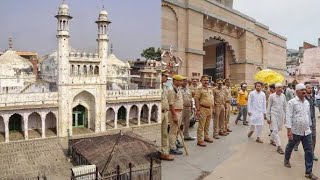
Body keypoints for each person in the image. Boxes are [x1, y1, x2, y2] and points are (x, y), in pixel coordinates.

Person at [284, 84, 318, 180]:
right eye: (302, 90)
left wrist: (310, 126)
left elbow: (308, 115)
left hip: (307, 131)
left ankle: (308, 172)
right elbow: (288, 116)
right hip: (295, 131)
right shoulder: (292, 102)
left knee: (309, 151)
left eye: (304, 90)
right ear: (297, 91)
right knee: (290, 146)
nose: (304, 91)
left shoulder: (307, 102)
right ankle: (286, 159)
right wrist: (289, 130)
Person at [294, 84, 318, 161]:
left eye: (311, 88)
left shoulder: (312, 98)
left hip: (312, 120)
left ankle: (312, 153)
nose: (310, 89)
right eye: (308, 88)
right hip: (304, 120)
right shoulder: (302, 99)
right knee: (300, 135)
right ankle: (296, 144)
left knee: (313, 138)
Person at [266, 83, 287, 154]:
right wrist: (268, 117)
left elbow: (285, 107)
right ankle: (279, 146)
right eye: (278, 87)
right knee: (275, 130)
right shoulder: (271, 96)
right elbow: (268, 107)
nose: (279, 89)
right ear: (275, 89)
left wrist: (286, 117)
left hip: (281, 115)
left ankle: (272, 140)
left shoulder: (283, 96)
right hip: (273, 114)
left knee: (277, 129)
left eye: (281, 87)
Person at [194, 75, 214, 147]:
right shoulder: (199, 89)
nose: (206, 82)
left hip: (209, 108)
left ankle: (206, 136)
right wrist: (198, 110)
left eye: (207, 80)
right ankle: (200, 140)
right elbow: (196, 99)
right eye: (204, 80)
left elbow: (211, 98)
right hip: (202, 109)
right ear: (201, 81)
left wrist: (213, 107)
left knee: (207, 125)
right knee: (201, 125)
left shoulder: (209, 89)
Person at [168, 74, 184, 155]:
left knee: (177, 130)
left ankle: (174, 144)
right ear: (175, 81)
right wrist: (174, 115)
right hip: (175, 112)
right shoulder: (171, 90)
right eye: (180, 81)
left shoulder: (177, 89)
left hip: (179, 111)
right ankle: (172, 148)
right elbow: (171, 104)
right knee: (173, 131)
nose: (181, 82)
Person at [160, 70, 174, 161]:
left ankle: (164, 152)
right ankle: (161, 151)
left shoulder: (165, 87)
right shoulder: (156, 88)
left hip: (165, 112)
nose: (166, 78)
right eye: (165, 76)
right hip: (158, 113)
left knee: (164, 133)